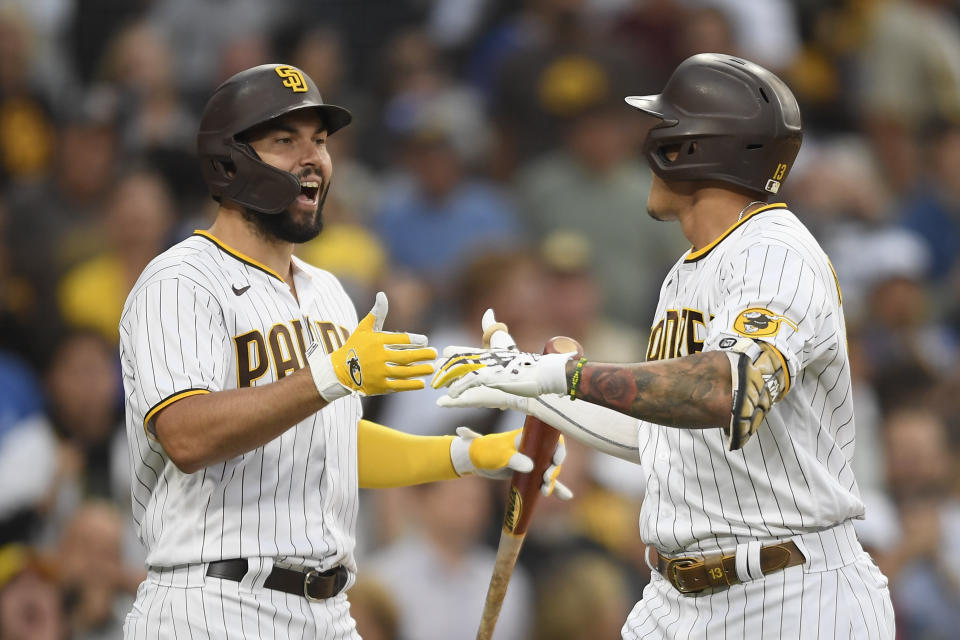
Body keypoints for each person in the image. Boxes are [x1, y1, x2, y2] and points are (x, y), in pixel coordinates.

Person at [434, 53, 895, 639]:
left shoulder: (777, 254)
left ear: (700, 147)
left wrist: (561, 378)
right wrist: (535, 388)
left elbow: (728, 390)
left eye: (665, 128)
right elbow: (666, 435)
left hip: (791, 593)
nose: (650, 142)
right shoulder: (686, 270)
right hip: (678, 598)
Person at [118, 63, 567, 639]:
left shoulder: (326, 291)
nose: (314, 158)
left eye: (321, 141)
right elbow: (184, 434)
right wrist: (334, 373)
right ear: (228, 162)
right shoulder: (180, 280)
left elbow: (334, 443)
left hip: (328, 609)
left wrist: (465, 458)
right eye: (285, 140)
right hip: (213, 601)